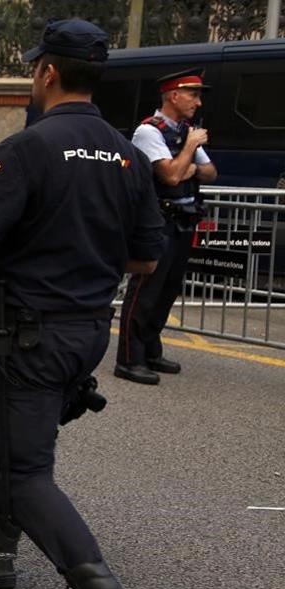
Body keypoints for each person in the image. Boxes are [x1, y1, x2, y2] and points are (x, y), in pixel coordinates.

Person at [0, 20, 165, 589]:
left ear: (46, 72)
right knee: (16, 438)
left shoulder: (28, 148)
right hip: (87, 331)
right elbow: (147, 259)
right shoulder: (126, 153)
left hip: (33, 329)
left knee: (25, 468)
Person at [115, 67, 218, 385]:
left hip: (183, 220)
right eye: (193, 94)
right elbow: (171, 176)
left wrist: (184, 164)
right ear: (174, 95)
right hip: (157, 220)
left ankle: (150, 349)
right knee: (145, 288)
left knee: (168, 290)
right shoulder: (150, 131)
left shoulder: (186, 130)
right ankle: (129, 358)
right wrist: (188, 153)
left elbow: (211, 172)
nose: (198, 103)